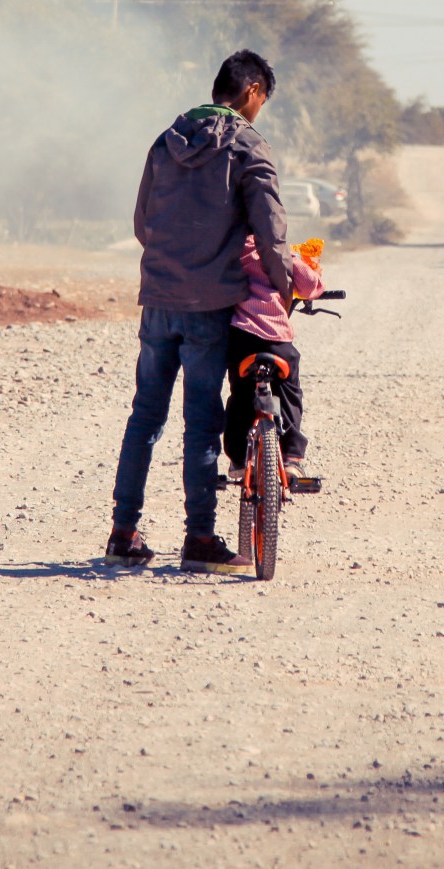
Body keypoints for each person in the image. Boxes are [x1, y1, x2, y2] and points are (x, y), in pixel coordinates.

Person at [106, 50, 295, 574]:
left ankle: (124, 532)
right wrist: (281, 289)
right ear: (253, 92)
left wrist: (170, 264)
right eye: (263, 102)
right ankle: (200, 539)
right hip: (209, 304)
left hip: (158, 301)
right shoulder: (247, 145)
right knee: (201, 422)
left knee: (145, 415)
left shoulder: (165, 141)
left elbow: (143, 223)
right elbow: (272, 232)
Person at [224, 234, 325, 484]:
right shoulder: (278, 253)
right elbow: (311, 286)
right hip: (276, 340)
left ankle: (237, 458)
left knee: (240, 392)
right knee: (289, 389)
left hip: (239, 340)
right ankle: (291, 457)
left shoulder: (226, 252)